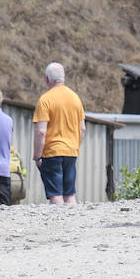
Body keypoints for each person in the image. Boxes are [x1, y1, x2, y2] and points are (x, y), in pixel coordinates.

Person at [32, 63, 85, 206]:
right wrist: (74, 146)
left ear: (47, 79)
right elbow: (82, 129)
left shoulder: (45, 100)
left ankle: (59, 226)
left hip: (52, 152)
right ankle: (73, 224)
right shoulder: (75, 98)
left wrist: (37, 155)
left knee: (56, 194)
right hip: (71, 152)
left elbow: (41, 132)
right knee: (69, 193)